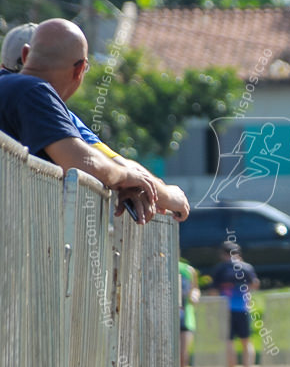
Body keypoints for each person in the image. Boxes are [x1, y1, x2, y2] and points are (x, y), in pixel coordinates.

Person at [0, 22, 190, 221]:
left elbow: (99, 160)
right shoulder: (35, 92)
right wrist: (126, 178)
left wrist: (121, 180)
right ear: (79, 69)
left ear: (26, 54)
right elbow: (82, 160)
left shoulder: (12, 88)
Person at [211, 241, 260, 367]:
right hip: (243, 309)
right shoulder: (246, 267)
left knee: (229, 343)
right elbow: (255, 284)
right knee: (246, 343)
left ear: (223, 254)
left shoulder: (220, 269)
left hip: (226, 310)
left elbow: (213, 291)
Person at [179, 259, 200, 367]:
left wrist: (194, 296)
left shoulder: (187, 270)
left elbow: (195, 289)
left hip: (185, 319)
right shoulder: (155, 263)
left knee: (182, 357)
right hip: (163, 319)